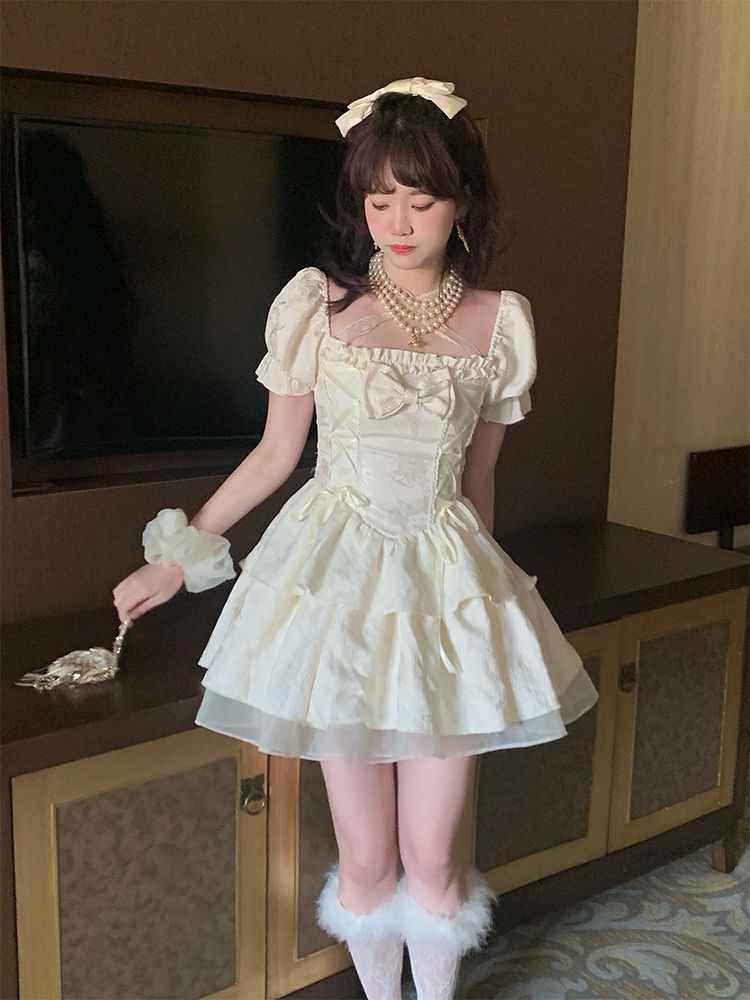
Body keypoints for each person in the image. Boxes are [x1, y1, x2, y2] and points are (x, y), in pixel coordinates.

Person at [113, 77, 599, 1000]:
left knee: (433, 855)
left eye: (421, 199)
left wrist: (482, 611)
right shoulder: (318, 306)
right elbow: (275, 455)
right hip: (335, 586)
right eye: (379, 201)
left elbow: (479, 483)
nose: (398, 223)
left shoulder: (502, 322)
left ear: (464, 201)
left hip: (444, 587)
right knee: (368, 858)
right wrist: (177, 557)